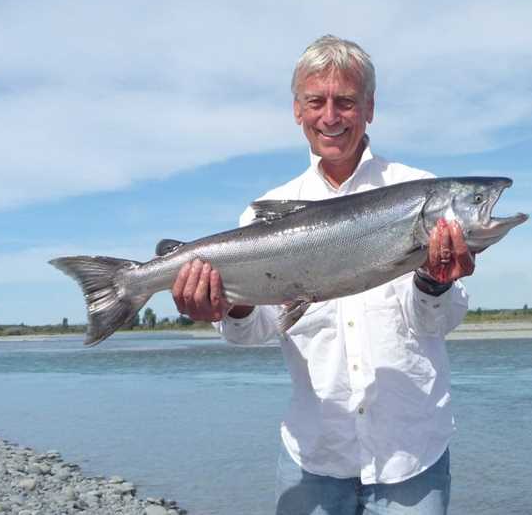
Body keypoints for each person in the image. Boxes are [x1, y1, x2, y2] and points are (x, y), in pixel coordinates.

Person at [171, 35, 474, 515]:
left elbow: (438, 322)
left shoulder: (419, 192)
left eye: (346, 102)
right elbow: (257, 332)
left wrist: (434, 281)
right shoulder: (261, 216)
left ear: (369, 108)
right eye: (317, 101)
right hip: (314, 459)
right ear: (297, 110)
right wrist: (233, 304)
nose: (330, 116)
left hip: (412, 458)